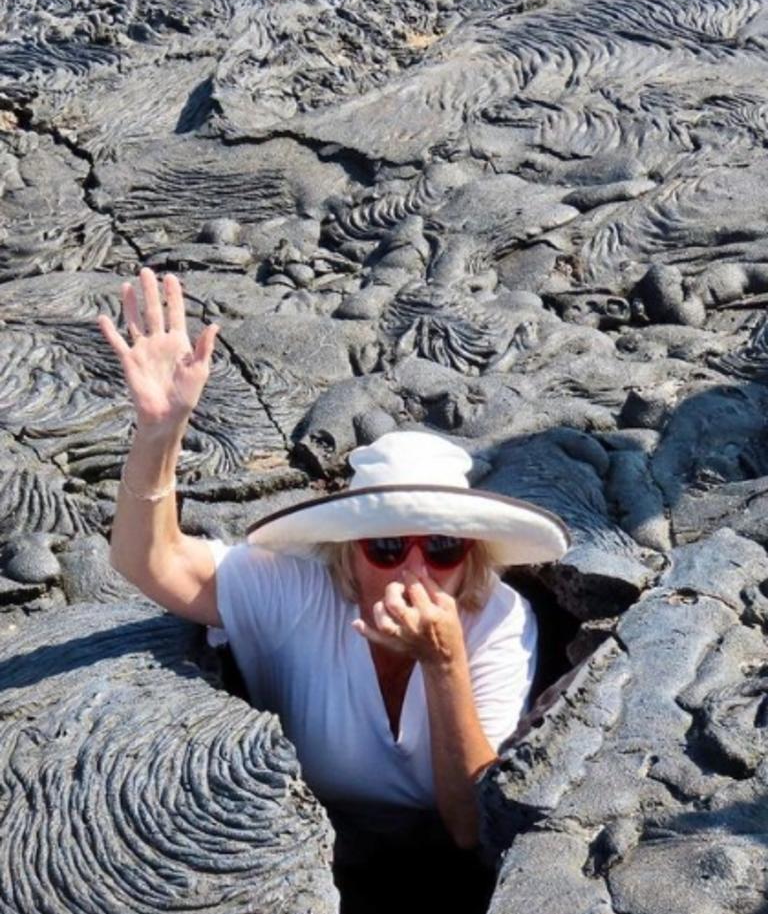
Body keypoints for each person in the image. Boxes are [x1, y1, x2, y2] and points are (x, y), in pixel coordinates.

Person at [97, 267, 570, 851]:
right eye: (388, 547)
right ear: (349, 554)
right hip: (292, 845)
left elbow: (472, 828)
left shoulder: (498, 619)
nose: (415, 571)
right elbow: (150, 562)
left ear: (471, 555)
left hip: (436, 861)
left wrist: (444, 664)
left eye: (443, 547)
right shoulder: (296, 591)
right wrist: (159, 434)